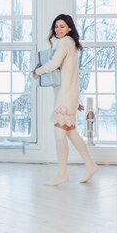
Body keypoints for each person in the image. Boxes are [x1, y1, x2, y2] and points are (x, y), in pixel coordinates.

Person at [32, 14, 99, 186]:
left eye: (62, 26)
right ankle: (90, 165)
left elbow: (54, 63)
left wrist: (37, 71)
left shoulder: (65, 42)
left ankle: (63, 174)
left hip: (65, 95)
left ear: (69, 28)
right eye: (56, 27)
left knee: (60, 134)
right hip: (67, 94)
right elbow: (71, 75)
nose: (58, 29)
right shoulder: (70, 43)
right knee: (70, 132)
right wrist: (75, 101)